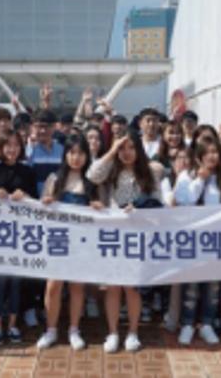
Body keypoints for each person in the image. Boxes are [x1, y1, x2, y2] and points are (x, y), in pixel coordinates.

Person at [87, 130, 165, 353]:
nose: (126, 152)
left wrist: (139, 210)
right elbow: (92, 174)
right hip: (113, 235)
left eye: (131, 147)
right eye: (122, 148)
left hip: (138, 236)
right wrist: (112, 151)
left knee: (132, 287)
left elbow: (157, 204)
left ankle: (132, 332)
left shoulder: (150, 172)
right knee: (113, 286)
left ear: (138, 148)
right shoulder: (110, 170)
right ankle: (113, 332)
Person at [36, 135, 103, 351]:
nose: (76, 158)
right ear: (65, 155)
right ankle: (51, 330)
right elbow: (41, 210)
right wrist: (47, 202)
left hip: (82, 241)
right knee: (53, 285)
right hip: (57, 239)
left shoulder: (92, 181)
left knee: (76, 285)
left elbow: (102, 209)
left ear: (87, 156)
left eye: (81, 153)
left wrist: (97, 207)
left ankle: (74, 329)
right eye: (72, 153)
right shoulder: (54, 179)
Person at [173, 139, 221, 346]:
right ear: (198, 156)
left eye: (215, 152)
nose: (212, 156)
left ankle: (207, 324)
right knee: (191, 285)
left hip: (217, 242)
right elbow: (185, 200)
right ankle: (188, 324)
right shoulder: (186, 176)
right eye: (207, 152)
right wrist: (200, 178)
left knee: (213, 286)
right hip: (192, 241)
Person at [0, 132, 37, 344]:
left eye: (16, 145)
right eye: (7, 145)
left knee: (15, 281)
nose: (12, 149)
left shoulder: (28, 172)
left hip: (20, 233)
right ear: (0, 148)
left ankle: (13, 325)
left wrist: (26, 197)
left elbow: (36, 202)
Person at [28, 109, 64, 196]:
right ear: (32, 127)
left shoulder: (62, 150)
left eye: (47, 127)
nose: (43, 130)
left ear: (54, 127)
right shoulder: (27, 151)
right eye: (39, 126)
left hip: (57, 200)